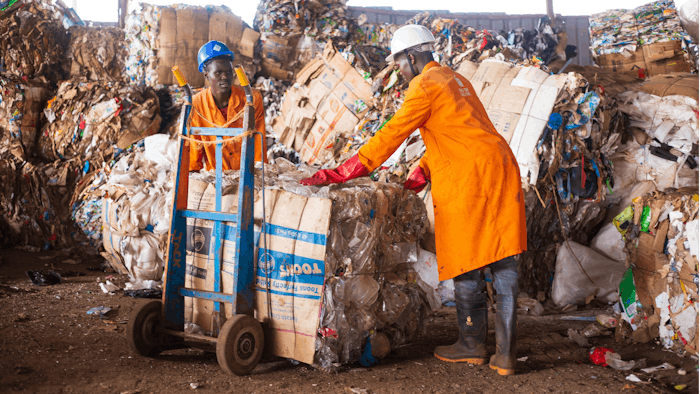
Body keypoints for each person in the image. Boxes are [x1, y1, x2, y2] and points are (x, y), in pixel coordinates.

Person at [299, 25, 527, 376]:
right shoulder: (454, 78)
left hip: (470, 176)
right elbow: (459, 130)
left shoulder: (424, 85)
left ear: (411, 57)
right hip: (499, 166)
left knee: (467, 257)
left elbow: (393, 132)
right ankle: (507, 356)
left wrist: (344, 172)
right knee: (503, 260)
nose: (399, 73)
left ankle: (471, 344)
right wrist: (421, 171)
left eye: (399, 65)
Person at [188, 40, 266, 172]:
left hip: (247, 175)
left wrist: (258, 176)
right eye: (218, 72)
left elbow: (258, 142)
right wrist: (194, 179)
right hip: (216, 177)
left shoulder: (251, 99)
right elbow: (194, 150)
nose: (225, 77)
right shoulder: (197, 104)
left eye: (229, 72)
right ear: (206, 75)